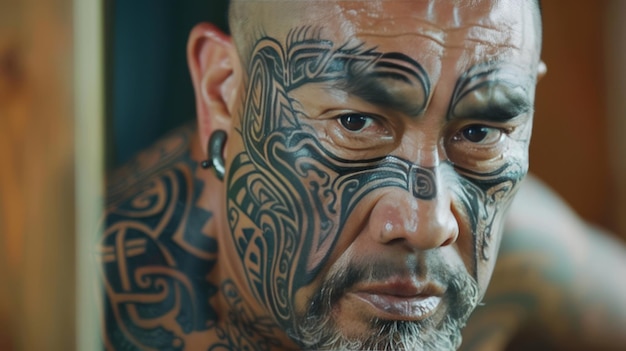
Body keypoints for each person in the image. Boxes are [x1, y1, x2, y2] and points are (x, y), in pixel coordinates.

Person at [99, 0, 626, 350]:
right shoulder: (75, 311)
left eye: (480, 132)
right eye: (356, 123)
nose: (427, 225)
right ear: (224, 93)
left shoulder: (526, 258)